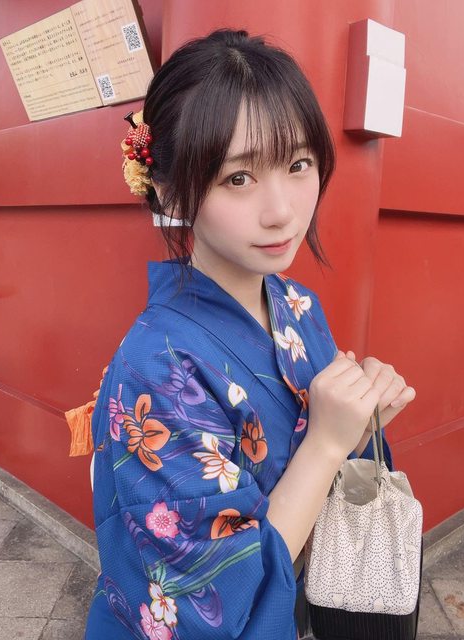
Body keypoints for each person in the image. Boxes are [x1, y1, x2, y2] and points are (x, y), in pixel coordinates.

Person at [83, 29, 416, 640]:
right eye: (238, 178)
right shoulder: (157, 369)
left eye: (298, 165)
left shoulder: (296, 304)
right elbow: (214, 599)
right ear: (170, 190)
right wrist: (325, 444)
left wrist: (358, 419)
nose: (282, 211)